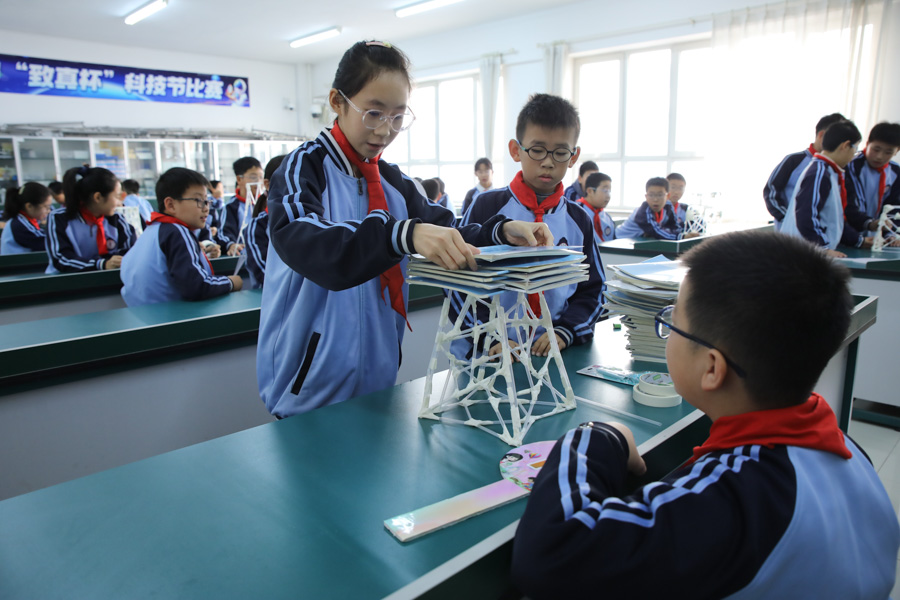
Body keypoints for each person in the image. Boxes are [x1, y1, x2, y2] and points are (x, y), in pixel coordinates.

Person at [512, 229, 900, 599]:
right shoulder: (849, 452)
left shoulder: (733, 499)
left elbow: (553, 553)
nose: (668, 329)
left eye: (672, 322)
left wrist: (597, 436)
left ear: (712, 368)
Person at [257, 40, 551, 419]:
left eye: (398, 117)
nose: (385, 130)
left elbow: (449, 230)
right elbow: (310, 246)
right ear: (337, 101)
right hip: (306, 389)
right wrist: (402, 235)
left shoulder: (393, 182)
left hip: (377, 386)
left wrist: (500, 231)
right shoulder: (303, 169)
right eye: (374, 113)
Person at [456, 93, 605, 359]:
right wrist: (490, 336)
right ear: (516, 150)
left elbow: (592, 289)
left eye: (561, 152)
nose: (548, 162)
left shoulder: (579, 219)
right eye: (537, 150)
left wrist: (565, 331)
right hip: (488, 354)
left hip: (552, 353)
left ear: (574, 157)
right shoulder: (486, 207)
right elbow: (457, 284)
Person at [120, 168, 241, 307]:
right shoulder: (177, 231)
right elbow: (196, 286)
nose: (206, 208)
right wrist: (231, 282)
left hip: (145, 314)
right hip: (172, 315)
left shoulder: (154, 229)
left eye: (207, 201)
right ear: (170, 205)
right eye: (198, 200)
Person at [780, 120, 866, 257]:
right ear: (845, 146)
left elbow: (833, 219)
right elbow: (806, 214)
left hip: (809, 252)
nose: (853, 156)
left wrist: (859, 241)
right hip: (803, 254)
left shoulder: (828, 171)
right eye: (855, 149)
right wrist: (822, 248)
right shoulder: (819, 173)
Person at [46, 165, 135, 273]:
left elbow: (131, 251)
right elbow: (62, 259)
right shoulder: (59, 218)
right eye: (117, 196)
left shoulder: (117, 218)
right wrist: (101, 264)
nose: (120, 202)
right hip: (68, 281)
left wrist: (116, 261)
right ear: (98, 197)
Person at [764, 112, 845, 230]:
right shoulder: (794, 160)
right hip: (788, 234)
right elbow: (771, 191)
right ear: (822, 135)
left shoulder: (836, 169)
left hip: (820, 235)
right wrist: (787, 219)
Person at [845, 122, 900, 233]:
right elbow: (848, 205)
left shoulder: (896, 172)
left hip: (877, 235)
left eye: (888, 152)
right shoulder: (851, 166)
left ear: (897, 151)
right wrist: (869, 223)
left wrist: (890, 234)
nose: (879, 156)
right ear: (867, 143)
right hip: (849, 232)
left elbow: (894, 207)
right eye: (876, 149)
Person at [246, 154, 286, 289]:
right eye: (287, 181)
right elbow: (263, 272)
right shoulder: (258, 225)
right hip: (269, 296)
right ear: (267, 185)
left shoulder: (308, 221)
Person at [616, 177, 695, 240]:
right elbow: (656, 231)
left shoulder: (668, 206)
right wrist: (681, 237)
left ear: (667, 196)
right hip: (620, 241)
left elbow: (674, 226)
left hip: (639, 240)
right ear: (646, 197)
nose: (655, 199)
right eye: (651, 195)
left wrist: (684, 234)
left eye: (660, 195)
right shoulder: (643, 211)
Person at [220, 157, 262, 256]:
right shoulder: (231, 207)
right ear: (239, 179)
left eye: (261, 177)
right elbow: (224, 232)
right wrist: (231, 244)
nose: (258, 181)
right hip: (244, 254)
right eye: (253, 177)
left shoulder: (266, 204)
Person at [0, 182, 52, 254]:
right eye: (46, 207)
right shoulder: (19, 224)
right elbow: (44, 242)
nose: (49, 211)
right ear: (29, 206)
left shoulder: (24, 220)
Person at [576, 171, 615, 243]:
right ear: (590, 191)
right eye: (605, 190)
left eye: (609, 191)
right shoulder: (576, 212)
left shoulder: (607, 217)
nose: (608, 196)